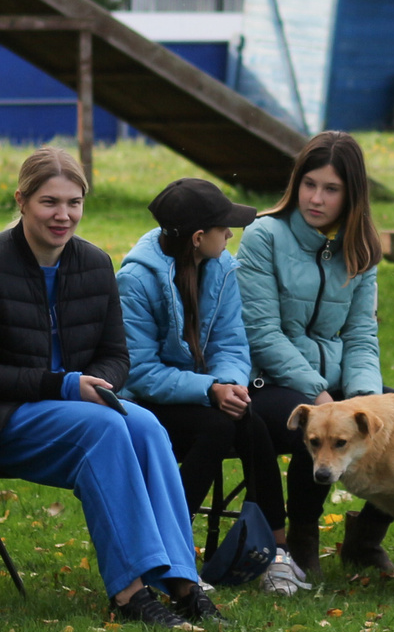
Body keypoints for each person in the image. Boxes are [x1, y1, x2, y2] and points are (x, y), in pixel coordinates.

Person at [0, 146, 220, 629]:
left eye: (74, 202)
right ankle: (130, 593)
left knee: (148, 426)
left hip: (74, 409)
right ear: (22, 201)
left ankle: (181, 581)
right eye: (49, 202)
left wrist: (102, 383)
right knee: (105, 430)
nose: (63, 215)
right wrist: (66, 385)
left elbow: (117, 355)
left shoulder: (94, 263)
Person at [119, 178, 310, 596]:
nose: (231, 234)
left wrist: (228, 385)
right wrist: (209, 390)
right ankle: (166, 554)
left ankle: (277, 553)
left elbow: (232, 343)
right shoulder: (136, 280)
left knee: (249, 420)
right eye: (224, 228)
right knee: (217, 427)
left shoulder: (222, 266)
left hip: (204, 393)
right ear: (199, 238)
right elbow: (140, 372)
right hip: (148, 403)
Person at [240, 132, 394, 579]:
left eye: (331, 189)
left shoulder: (361, 247)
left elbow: (362, 333)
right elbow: (262, 333)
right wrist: (321, 396)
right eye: (309, 184)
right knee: (316, 429)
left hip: (341, 383)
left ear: (351, 194)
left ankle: (365, 541)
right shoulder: (264, 236)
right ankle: (303, 537)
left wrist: (364, 402)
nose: (316, 198)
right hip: (269, 380)